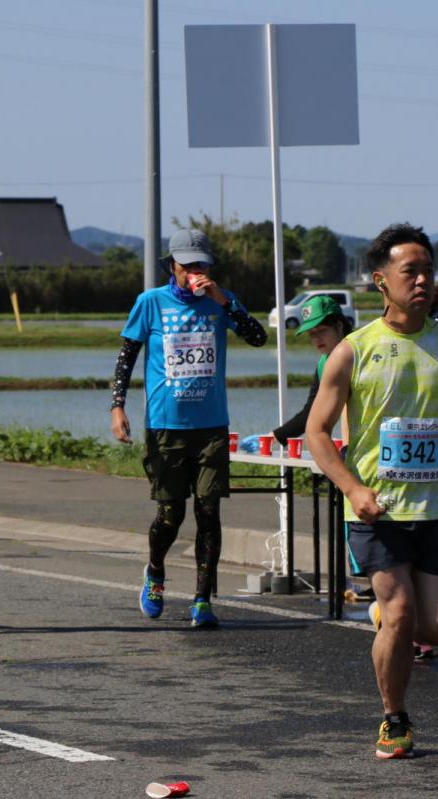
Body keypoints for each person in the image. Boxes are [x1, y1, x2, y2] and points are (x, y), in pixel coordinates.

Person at [306, 223, 438, 759]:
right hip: (377, 510)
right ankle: (394, 718)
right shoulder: (354, 351)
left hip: (437, 507)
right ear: (381, 280)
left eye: (429, 270)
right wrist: (353, 488)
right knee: (401, 611)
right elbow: (317, 431)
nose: (423, 280)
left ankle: (389, 621)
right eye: (412, 271)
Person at [111, 228, 267, 628]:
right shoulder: (151, 302)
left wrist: (224, 302)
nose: (195, 271)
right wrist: (117, 407)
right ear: (172, 266)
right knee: (170, 514)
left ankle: (202, 600)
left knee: (209, 510)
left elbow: (257, 337)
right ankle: (156, 571)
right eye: (188, 265)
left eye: (202, 264)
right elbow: (127, 357)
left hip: (211, 424)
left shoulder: (221, 301)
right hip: (165, 425)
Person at [238, 294, 352, 452]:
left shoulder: (360, 352)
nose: (317, 338)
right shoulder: (324, 363)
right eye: (312, 333)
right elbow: (311, 412)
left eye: (322, 330)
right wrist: (272, 437)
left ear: (339, 326)